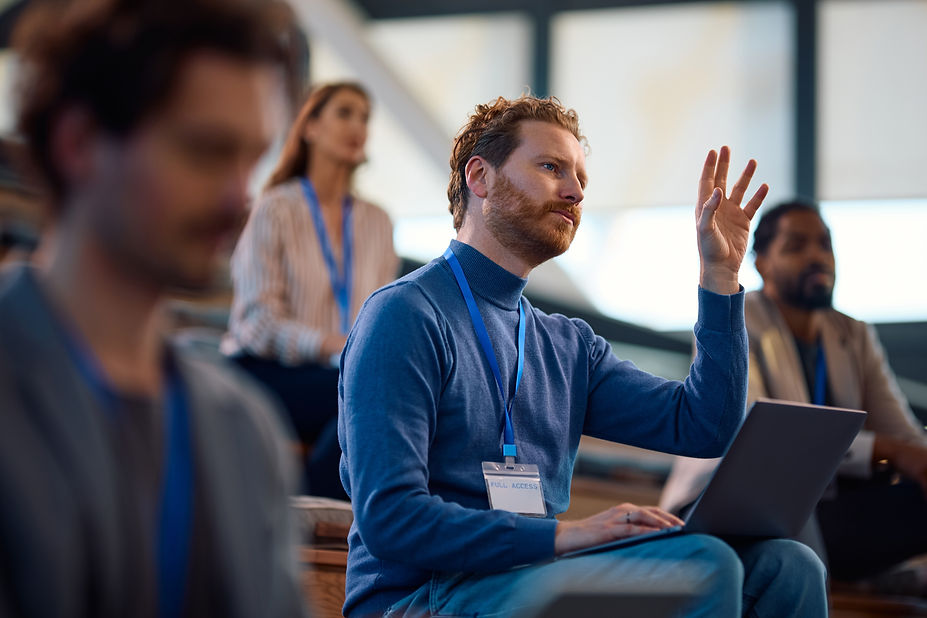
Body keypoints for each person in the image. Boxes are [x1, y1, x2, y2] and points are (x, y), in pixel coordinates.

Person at [337, 95, 827, 617]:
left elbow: (705, 427)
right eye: (551, 167)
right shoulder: (404, 313)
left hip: (529, 578)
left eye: (580, 179)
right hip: (421, 596)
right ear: (480, 177)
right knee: (706, 564)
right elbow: (391, 518)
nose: (574, 191)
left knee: (788, 567)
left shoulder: (568, 346)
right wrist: (564, 537)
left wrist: (720, 276)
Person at [0, 0, 307, 616]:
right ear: (79, 142)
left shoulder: (246, 431)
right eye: (205, 152)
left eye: (252, 159)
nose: (239, 197)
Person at [661, 200, 927, 585]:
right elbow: (759, 439)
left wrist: (911, 454)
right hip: (734, 507)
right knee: (779, 488)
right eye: (796, 246)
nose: (817, 256)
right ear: (762, 263)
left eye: (825, 244)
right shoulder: (737, 321)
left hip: (826, 509)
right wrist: (887, 451)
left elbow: (904, 436)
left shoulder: (853, 334)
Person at [223, 81, 398, 500]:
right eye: (345, 113)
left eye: (365, 118)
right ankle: (309, 516)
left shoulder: (378, 222)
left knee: (388, 398)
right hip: (266, 368)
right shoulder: (275, 208)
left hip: (340, 372)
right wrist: (331, 344)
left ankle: (311, 512)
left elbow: (382, 317)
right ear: (310, 128)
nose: (358, 126)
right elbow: (257, 323)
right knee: (366, 400)